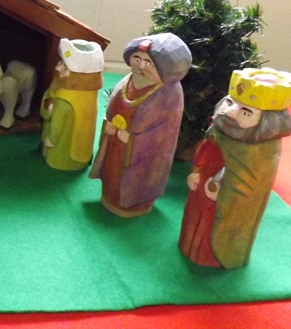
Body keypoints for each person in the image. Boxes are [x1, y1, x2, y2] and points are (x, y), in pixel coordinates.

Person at [179, 68, 291, 268]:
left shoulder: (263, 150)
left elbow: (251, 185)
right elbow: (205, 150)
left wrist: (224, 192)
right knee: (195, 219)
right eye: (229, 103)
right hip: (201, 189)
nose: (229, 113)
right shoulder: (219, 130)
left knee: (214, 229)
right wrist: (196, 171)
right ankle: (189, 246)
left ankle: (213, 258)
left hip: (223, 201)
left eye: (246, 112)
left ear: (268, 123)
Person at [89, 33, 191, 217]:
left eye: (149, 62)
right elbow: (113, 108)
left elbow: (165, 133)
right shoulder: (129, 80)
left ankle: (134, 206)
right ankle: (109, 197)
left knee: (132, 183)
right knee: (113, 174)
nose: (141, 66)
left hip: (141, 159)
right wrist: (108, 126)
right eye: (137, 59)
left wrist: (133, 140)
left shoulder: (170, 94)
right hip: (115, 145)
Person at [40, 39, 104, 171]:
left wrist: (51, 139)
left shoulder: (65, 101)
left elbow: (57, 127)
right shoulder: (84, 95)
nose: (57, 68)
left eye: (65, 68)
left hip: (61, 150)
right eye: (60, 62)